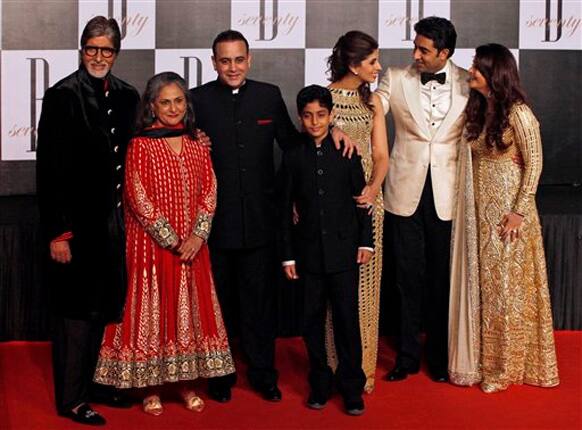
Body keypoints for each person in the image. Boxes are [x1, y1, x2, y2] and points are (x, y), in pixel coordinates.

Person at [189, 30, 355, 403]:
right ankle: (220, 375)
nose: (232, 67)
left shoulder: (268, 95)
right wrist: (192, 140)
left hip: (263, 223)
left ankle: (263, 374)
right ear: (214, 62)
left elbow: (294, 143)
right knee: (220, 306)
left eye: (239, 59)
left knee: (259, 304)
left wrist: (334, 130)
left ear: (249, 60)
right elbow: (178, 147)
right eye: (225, 60)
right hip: (214, 225)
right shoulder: (197, 100)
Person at [93, 72, 235, 414]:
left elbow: (210, 191)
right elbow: (136, 196)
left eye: (179, 101)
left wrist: (198, 235)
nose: (173, 108)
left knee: (187, 312)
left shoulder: (197, 144)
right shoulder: (140, 144)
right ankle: (150, 387)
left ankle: (186, 383)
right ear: (152, 106)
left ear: (187, 105)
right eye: (165, 102)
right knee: (152, 313)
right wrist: (172, 239)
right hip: (150, 247)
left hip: (193, 248)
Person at [36, 16, 139, 426]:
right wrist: (57, 234)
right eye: (92, 49)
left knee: (103, 310)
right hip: (75, 229)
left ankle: (92, 385)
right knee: (75, 316)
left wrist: (197, 136)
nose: (99, 56)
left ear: (116, 54)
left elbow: (149, 139)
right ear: (82, 50)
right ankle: (72, 400)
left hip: (113, 227)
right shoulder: (62, 95)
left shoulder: (129, 96)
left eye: (107, 50)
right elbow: (49, 170)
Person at [448, 44, 559, 393]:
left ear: (494, 73)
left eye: (477, 68)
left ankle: (505, 368)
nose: (471, 73)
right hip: (480, 215)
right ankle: (484, 362)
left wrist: (518, 211)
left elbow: (535, 164)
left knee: (506, 291)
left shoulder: (519, 114)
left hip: (509, 218)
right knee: (487, 289)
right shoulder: (479, 110)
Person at [375, 17, 469, 383]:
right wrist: (338, 119)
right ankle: (407, 356)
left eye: (424, 50)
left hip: (449, 195)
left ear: (444, 53)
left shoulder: (468, 81)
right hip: (403, 192)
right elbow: (371, 109)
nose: (415, 54)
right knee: (406, 279)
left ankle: (442, 357)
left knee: (443, 280)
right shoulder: (396, 78)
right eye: (415, 46)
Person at [278, 85, 373, 415]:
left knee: (348, 322)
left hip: (345, 254)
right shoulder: (292, 157)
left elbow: (362, 201)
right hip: (307, 257)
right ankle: (319, 382)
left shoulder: (347, 152)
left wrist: (366, 241)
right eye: (308, 116)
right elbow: (283, 209)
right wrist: (288, 255)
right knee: (311, 322)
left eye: (321, 115)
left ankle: (352, 387)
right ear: (300, 118)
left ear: (331, 116)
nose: (315, 121)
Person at [326, 30, 389, 393]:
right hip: (332, 209)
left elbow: (381, 154)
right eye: (372, 62)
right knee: (335, 290)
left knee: (366, 290)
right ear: (352, 64)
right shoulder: (325, 100)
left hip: (368, 206)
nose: (378, 67)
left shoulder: (374, 103)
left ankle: (362, 369)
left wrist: (373, 188)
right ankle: (334, 365)